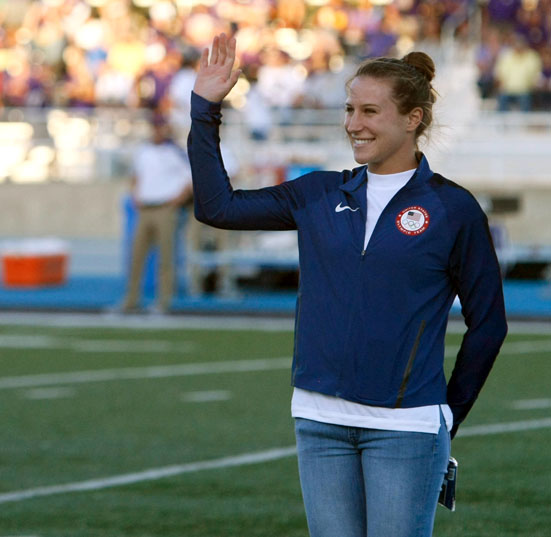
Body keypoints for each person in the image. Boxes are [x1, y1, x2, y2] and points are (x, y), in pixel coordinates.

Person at [187, 34, 507, 537]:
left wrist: (447, 413)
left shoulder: (453, 208)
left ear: (412, 119)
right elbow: (217, 208)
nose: (353, 124)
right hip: (318, 420)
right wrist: (205, 108)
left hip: (406, 428)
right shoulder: (317, 193)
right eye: (349, 109)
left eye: (370, 111)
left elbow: (489, 323)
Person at [121, 115, 193, 314]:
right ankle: (131, 299)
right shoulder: (143, 151)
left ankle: (164, 302)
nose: (157, 131)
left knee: (166, 257)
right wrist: (135, 194)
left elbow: (190, 178)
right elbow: (136, 175)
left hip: (164, 208)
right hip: (144, 208)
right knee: (136, 256)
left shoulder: (175, 152)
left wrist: (176, 200)